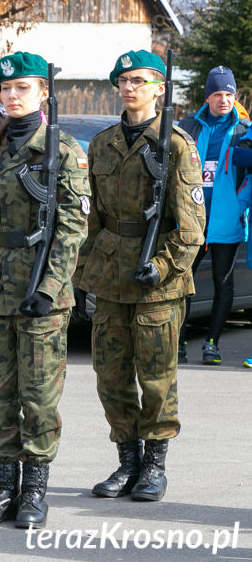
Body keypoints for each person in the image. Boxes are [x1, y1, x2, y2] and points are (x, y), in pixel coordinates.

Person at [0, 52, 90, 529]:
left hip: (39, 293)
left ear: (43, 93)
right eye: (5, 90)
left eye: (23, 89)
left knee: (38, 397)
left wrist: (50, 288)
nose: (12, 97)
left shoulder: (64, 150)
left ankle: (34, 492)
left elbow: (73, 227)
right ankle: (3, 489)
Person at [75, 50, 205, 504]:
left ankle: (154, 465)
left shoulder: (176, 145)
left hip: (158, 282)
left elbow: (191, 228)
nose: (129, 88)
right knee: (110, 376)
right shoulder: (102, 142)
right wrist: (81, 275)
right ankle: (127, 461)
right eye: (123, 80)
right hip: (110, 274)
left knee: (156, 376)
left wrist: (163, 267)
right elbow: (91, 219)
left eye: (140, 80)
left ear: (159, 88)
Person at [177, 66, 251, 365]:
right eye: (218, 94)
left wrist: (238, 203)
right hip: (190, 219)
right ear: (208, 96)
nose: (224, 99)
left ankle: (212, 344)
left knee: (223, 282)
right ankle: (178, 341)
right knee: (182, 283)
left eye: (229, 94)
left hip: (226, 221)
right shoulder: (189, 126)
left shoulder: (244, 129)